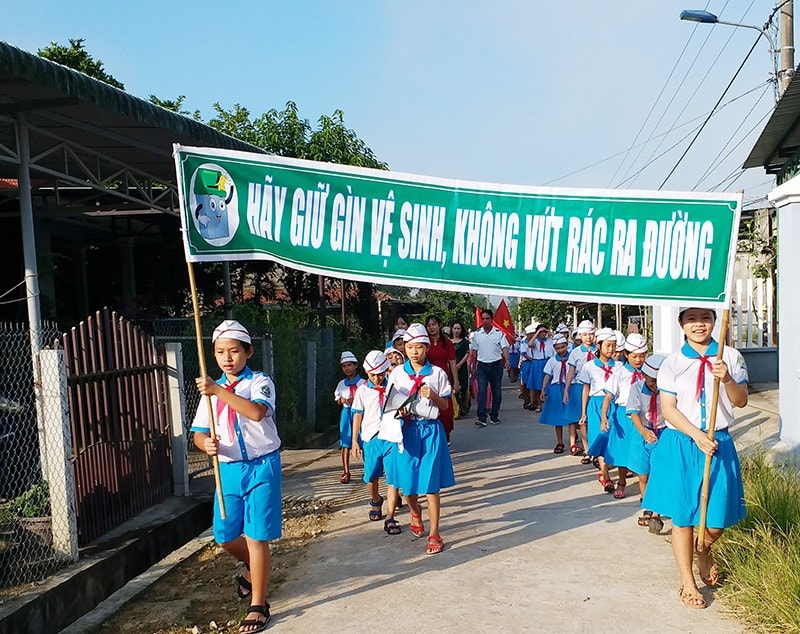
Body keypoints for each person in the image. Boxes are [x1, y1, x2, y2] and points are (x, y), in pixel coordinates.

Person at [643, 307, 748, 610]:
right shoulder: (672, 364)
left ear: (715, 321)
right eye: (691, 319)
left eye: (705, 317)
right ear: (681, 325)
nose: (699, 324)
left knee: (718, 518)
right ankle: (687, 582)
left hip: (719, 443)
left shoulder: (731, 356)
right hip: (683, 443)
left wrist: (727, 379)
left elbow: (741, 401)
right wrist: (696, 435)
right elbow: (668, 409)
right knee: (683, 517)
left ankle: (704, 549)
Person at [191, 320, 281, 633]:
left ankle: (258, 604)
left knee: (257, 536)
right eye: (220, 352)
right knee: (226, 537)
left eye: (234, 351)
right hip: (226, 470)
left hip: (261, 466)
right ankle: (251, 569)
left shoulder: (259, 381)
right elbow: (199, 434)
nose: (227, 358)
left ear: (248, 352)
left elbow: (257, 412)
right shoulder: (209, 391)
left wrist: (218, 390)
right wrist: (206, 445)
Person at [386, 323, 456, 555]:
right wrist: (401, 412)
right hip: (407, 431)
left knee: (431, 485)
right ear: (404, 347)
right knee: (408, 484)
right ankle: (415, 512)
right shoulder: (397, 373)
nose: (415, 351)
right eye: (410, 347)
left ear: (427, 348)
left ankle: (435, 532)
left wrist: (433, 394)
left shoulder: (437, 373)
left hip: (431, 432)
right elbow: (390, 405)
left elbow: (446, 406)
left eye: (419, 347)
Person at [351, 350, 401, 533]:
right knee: (371, 476)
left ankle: (390, 517)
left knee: (393, 477)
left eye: (380, 374)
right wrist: (355, 441)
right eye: (373, 374)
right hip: (371, 438)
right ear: (367, 373)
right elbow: (357, 415)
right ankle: (375, 499)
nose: (377, 378)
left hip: (391, 437)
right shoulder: (362, 390)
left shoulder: (393, 388)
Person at [578, 328, 623, 495]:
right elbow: (585, 389)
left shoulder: (619, 366)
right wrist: (583, 412)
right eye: (608, 346)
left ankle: (606, 472)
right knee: (600, 436)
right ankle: (605, 475)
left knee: (612, 439)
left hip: (613, 404)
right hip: (596, 404)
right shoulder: (588, 367)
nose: (611, 349)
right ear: (599, 345)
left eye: (614, 346)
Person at [626, 353, 667, 532]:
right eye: (652, 381)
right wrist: (643, 432)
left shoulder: (668, 390)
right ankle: (647, 505)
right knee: (643, 474)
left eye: (659, 381)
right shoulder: (636, 388)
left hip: (662, 433)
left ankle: (656, 512)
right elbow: (634, 413)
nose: (655, 385)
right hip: (642, 432)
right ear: (644, 376)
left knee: (658, 472)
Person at [563, 320, 597, 461]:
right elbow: (571, 372)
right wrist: (566, 389)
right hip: (578, 387)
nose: (588, 337)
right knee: (580, 418)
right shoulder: (575, 353)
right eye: (585, 334)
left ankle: (596, 449)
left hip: (596, 388)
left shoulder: (599, 350)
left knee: (593, 419)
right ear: (580, 337)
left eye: (591, 334)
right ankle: (587, 450)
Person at [470, 308, 510, 427]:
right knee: (482, 392)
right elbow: (474, 352)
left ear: (491, 320)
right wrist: (473, 367)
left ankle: (494, 415)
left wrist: (507, 360)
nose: (485, 321)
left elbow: (504, 348)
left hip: (496, 366)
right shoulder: (477, 334)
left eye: (487, 318)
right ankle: (482, 417)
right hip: (482, 366)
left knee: (496, 392)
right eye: (483, 319)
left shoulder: (499, 333)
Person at [425, 315, 459, 443]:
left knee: (446, 412)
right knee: (431, 409)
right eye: (429, 325)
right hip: (428, 380)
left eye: (434, 324)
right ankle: (433, 439)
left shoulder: (447, 343)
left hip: (443, 380)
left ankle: (446, 436)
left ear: (439, 325)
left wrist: (455, 381)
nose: (431, 327)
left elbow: (452, 363)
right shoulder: (425, 343)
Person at [334, 351, 365, 484]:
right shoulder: (341, 384)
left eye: (349, 365)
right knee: (345, 442)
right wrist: (341, 400)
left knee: (363, 439)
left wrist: (357, 400)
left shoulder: (363, 383)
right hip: (346, 414)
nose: (347, 368)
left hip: (360, 414)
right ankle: (346, 470)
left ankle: (368, 469)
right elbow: (337, 399)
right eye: (344, 366)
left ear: (356, 366)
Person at [539, 334, 572, 453]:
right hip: (556, 390)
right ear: (554, 348)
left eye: (563, 347)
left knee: (571, 416)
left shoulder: (572, 359)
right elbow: (547, 375)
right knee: (557, 418)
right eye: (558, 348)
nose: (561, 350)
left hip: (570, 389)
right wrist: (543, 389)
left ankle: (573, 442)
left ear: (567, 346)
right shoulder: (552, 360)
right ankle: (560, 442)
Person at [527, 324, 553, 412]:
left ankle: (548, 405)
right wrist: (537, 333)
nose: (543, 334)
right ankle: (539, 404)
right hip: (537, 363)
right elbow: (530, 344)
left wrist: (549, 332)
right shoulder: (535, 341)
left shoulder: (549, 341)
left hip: (547, 361)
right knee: (538, 385)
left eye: (544, 332)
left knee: (549, 384)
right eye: (540, 332)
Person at [450, 321, 472, 418]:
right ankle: (456, 409)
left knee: (462, 387)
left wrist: (459, 364)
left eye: (458, 329)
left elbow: (467, 354)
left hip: (462, 367)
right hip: (450, 368)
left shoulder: (464, 342)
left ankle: (463, 407)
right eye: (455, 328)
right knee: (452, 388)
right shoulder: (448, 342)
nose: (456, 330)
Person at [519, 325, 536, 409]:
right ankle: (527, 399)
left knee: (534, 382)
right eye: (531, 334)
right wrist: (531, 359)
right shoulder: (523, 342)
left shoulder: (536, 341)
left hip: (535, 363)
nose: (533, 335)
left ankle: (534, 400)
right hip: (527, 363)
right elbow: (524, 353)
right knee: (526, 382)